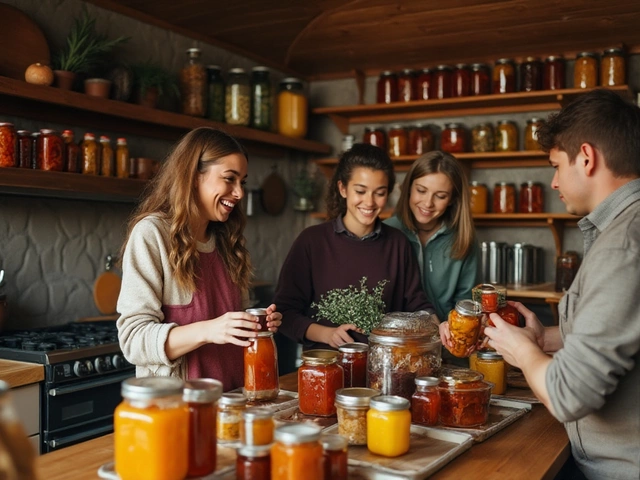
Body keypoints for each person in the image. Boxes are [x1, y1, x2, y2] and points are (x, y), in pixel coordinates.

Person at [483, 89, 640, 480]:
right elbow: (620, 335)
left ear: (586, 158)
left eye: (556, 166)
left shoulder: (623, 244)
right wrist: (548, 339)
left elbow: (569, 395)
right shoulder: (622, 229)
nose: (553, 182)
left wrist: (521, 352)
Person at [117, 127, 282, 392]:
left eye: (242, 182)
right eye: (229, 179)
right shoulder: (152, 234)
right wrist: (209, 330)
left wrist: (256, 326)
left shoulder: (228, 241)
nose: (239, 193)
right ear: (194, 176)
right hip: (177, 410)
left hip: (232, 403)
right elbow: (133, 341)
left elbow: (230, 334)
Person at [274, 143, 433, 350]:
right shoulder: (312, 241)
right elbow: (283, 313)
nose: (369, 202)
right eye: (360, 191)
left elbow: (417, 307)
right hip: (324, 368)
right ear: (343, 188)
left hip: (383, 369)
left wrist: (441, 328)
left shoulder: (398, 243)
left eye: (380, 193)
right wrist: (327, 334)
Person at [384, 151, 478, 323]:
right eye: (421, 191)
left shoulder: (463, 239)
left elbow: (466, 303)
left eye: (440, 196)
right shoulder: (387, 231)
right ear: (408, 188)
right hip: (393, 339)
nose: (428, 203)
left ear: (452, 199)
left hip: (444, 339)